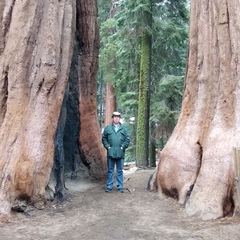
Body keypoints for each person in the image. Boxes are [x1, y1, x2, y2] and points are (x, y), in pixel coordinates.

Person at [102, 111, 130, 193]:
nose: (116, 118)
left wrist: (123, 147)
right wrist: (108, 147)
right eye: (115, 117)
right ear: (113, 118)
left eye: (118, 117)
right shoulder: (108, 129)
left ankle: (120, 186)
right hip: (110, 153)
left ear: (120, 118)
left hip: (120, 154)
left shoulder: (124, 129)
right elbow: (104, 138)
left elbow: (127, 139)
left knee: (120, 170)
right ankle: (109, 186)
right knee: (110, 170)